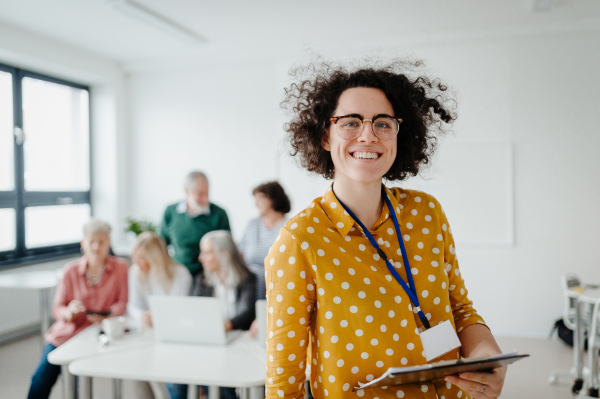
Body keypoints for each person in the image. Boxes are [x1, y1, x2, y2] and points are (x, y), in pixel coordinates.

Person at [265, 62, 506, 399]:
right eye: (350, 122)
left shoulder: (427, 212)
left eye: (383, 123)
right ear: (324, 135)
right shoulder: (300, 239)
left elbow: (460, 309)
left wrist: (485, 354)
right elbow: (284, 376)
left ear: (397, 133)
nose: (368, 135)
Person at [28, 218, 128, 399]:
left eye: (101, 242)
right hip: (68, 332)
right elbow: (57, 308)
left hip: (100, 332)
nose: (96, 247)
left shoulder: (121, 267)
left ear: (109, 243)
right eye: (92, 242)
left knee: (84, 375)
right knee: (41, 378)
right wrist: (68, 313)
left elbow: (122, 302)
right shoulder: (70, 270)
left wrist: (107, 315)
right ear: (83, 244)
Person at [166, 230, 257, 399]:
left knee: (219, 380)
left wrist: (228, 324)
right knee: (174, 375)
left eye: (207, 253)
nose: (201, 258)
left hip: (238, 343)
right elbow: (193, 311)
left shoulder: (248, 279)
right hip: (208, 342)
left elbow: (247, 313)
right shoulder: (202, 280)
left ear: (224, 254)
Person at [160, 171, 230, 278]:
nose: (205, 198)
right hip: (178, 273)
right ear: (187, 191)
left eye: (207, 193)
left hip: (209, 275)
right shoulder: (171, 212)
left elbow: (227, 247)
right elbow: (161, 244)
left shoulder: (219, 214)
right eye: (200, 193)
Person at [239, 181, 291, 300]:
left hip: (277, 288)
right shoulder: (252, 224)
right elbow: (240, 255)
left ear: (272, 198)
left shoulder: (289, 227)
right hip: (249, 288)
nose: (255, 203)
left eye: (259, 198)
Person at [128, 231, 193, 326]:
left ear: (155, 258)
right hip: (148, 327)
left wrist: (159, 316)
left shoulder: (181, 274)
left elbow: (182, 308)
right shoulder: (135, 271)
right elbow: (133, 305)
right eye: (134, 257)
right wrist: (142, 316)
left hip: (175, 325)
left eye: (141, 258)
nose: (136, 262)